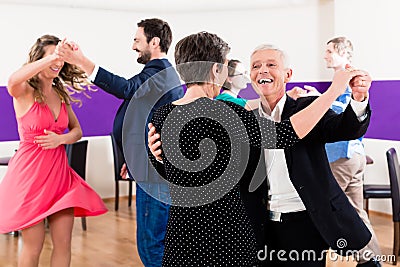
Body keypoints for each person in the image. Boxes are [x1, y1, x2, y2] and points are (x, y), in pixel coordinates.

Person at [147, 31, 368, 266]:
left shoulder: (164, 114)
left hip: (188, 235)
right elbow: (285, 134)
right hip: (238, 230)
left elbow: (178, 174)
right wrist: (334, 90)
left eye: (271, 64)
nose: (262, 70)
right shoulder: (231, 115)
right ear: (216, 71)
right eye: (254, 66)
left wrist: (158, 157)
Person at [57, 18, 184, 267]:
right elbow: (143, 121)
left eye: (137, 40)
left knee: (151, 247)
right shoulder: (159, 74)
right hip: (151, 170)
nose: (133, 46)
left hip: (155, 176)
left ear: (154, 42)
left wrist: (81, 61)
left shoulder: (159, 73)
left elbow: (126, 88)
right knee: (155, 244)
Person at [0, 34, 107, 267]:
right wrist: (51, 57)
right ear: (39, 60)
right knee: (33, 246)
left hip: (60, 179)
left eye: (60, 59)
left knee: (63, 244)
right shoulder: (24, 91)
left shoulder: (60, 94)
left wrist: (61, 139)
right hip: (30, 180)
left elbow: (77, 131)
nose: (58, 63)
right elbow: (12, 79)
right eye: (51, 57)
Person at [287, 37, 382, 266]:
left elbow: (341, 117)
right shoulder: (340, 79)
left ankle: (318, 258)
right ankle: (371, 258)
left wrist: (315, 100)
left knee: (324, 209)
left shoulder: (348, 77)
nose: (325, 55)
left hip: (344, 155)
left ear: (341, 51)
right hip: (352, 155)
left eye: (329, 51)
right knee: (356, 211)